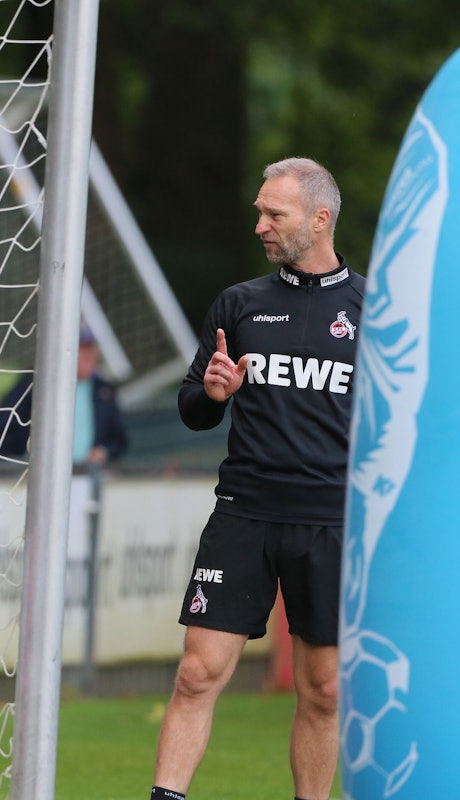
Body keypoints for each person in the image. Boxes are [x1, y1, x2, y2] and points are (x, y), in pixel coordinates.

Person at [150, 157, 363, 800]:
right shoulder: (239, 303)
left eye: (275, 214)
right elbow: (193, 409)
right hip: (244, 513)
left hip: (332, 523)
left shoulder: (375, 312)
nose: (260, 225)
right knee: (196, 674)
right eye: (259, 212)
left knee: (323, 690)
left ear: (320, 219)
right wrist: (213, 393)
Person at [0, 326, 129, 466]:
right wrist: (20, 463)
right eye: (82, 349)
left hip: (88, 473)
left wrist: (103, 451)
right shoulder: (34, 384)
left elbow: (118, 439)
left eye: (91, 349)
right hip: (35, 474)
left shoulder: (104, 391)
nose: (88, 355)